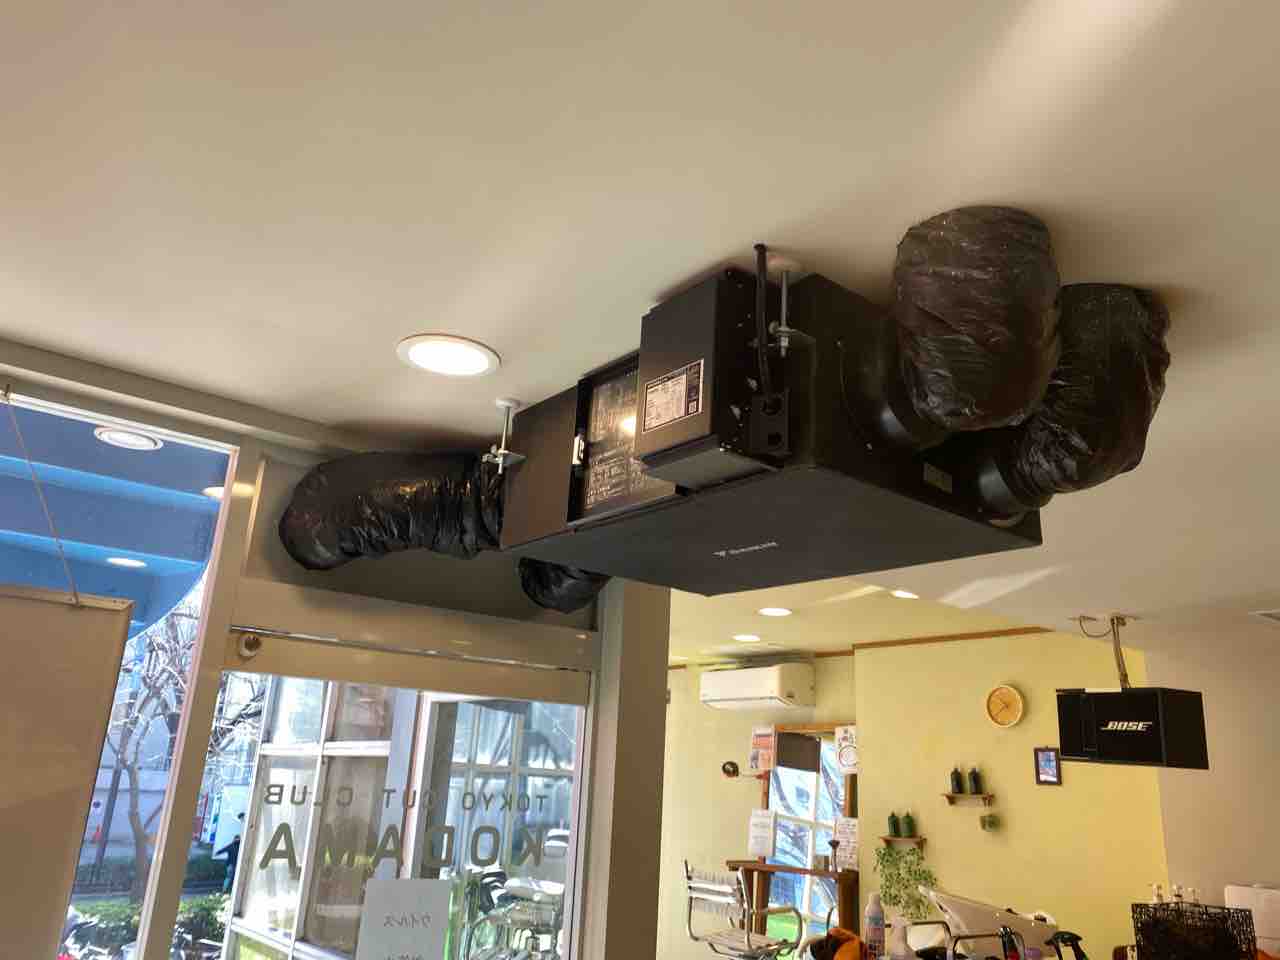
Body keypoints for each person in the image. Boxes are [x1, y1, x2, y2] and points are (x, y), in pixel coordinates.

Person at [216, 813, 246, 893]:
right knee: (231, 877)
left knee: (230, 877)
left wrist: (218, 853)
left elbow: (222, 850)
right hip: (233, 864)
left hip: (232, 864)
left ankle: (226, 890)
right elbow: (222, 850)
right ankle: (227, 890)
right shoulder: (238, 845)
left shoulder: (233, 845)